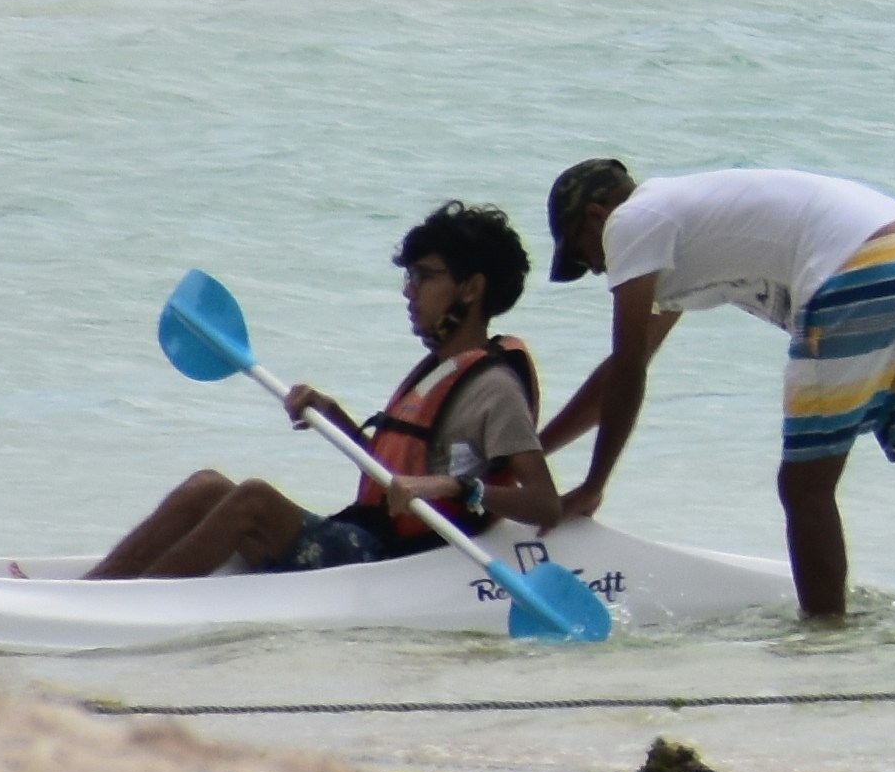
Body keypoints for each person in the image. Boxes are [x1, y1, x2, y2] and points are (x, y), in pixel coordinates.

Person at [538, 159, 895, 622]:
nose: (597, 270)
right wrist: (538, 449)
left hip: (860, 264)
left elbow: (628, 368)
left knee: (805, 487)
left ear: (598, 215)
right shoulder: (679, 223)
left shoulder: (632, 222)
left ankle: (824, 644)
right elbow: (627, 366)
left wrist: (594, 484)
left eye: (584, 254)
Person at [89, 202, 558, 580]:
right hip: (361, 534)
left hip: (397, 562)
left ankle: (140, 603)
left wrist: (458, 487)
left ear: (472, 289)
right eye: (409, 277)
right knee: (207, 486)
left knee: (253, 499)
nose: (409, 292)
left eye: (425, 276)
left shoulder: (495, 387)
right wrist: (337, 420)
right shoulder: (439, 370)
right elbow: (394, 475)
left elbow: (543, 502)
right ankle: (98, 588)